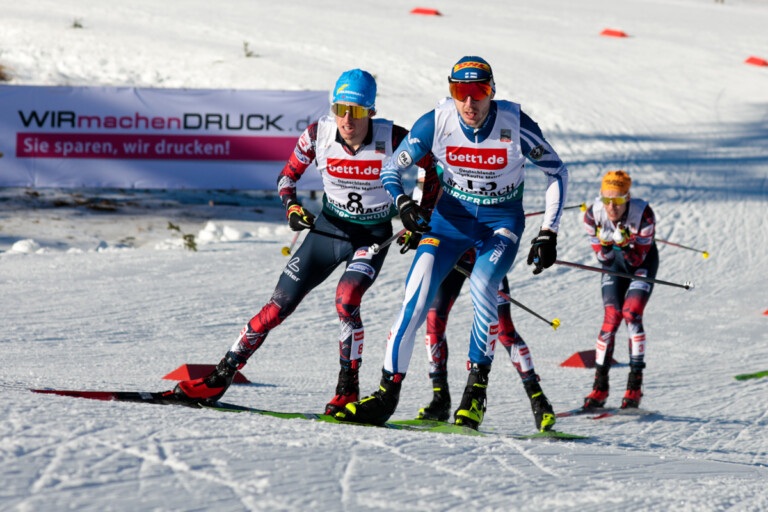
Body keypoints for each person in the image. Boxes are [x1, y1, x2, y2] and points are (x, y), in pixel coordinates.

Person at [172, 69, 438, 415]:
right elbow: (287, 177)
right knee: (277, 305)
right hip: (329, 230)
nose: (346, 118)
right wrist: (292, 207)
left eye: (356, 111)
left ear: (371, 112)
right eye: (339, 108)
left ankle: (347, 389)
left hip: (371, 236)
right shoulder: (318, 134)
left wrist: (419, 212)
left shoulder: (394, 138)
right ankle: (221, 375)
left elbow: (432, 168)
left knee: (346, 299)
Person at [335, 56, 569, 430]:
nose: (469, 103)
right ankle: (385, 396)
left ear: (492, 92)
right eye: (460, 92)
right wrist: (404, 203)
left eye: (479, 92)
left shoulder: (515, 125)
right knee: (414, 298)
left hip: (499, 225)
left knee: (482, 285)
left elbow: (557, 172)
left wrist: (549, 232)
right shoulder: (437, 122)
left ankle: (474, 395)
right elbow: (391, 168)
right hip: (448, 224)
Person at [415, 248, 556, 431]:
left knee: (504, 330)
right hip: (454, 254)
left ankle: (538, 399)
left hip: (487, 255)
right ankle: (440, 399)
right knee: (434, 320)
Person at [582, 170, 658, 409]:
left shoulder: (644, 215)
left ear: (628, 197)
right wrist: (606, 243)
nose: (611, 207)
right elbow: (602, 258)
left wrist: (624, 245)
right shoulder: (592, 215)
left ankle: (634, 387)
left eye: (617, 200)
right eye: (606, 200)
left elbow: (637, 260)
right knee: (612, 316)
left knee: (631, 314)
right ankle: (600, 388)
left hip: (641, 265)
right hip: (613, 263)